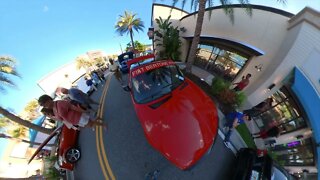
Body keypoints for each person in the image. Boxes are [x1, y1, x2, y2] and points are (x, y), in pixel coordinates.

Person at [38, 95, 107, 131]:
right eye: (43, 106)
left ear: (48, 100)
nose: (44, 106)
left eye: (44, 104)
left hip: (78, 116)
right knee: (90, 124)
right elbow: (60, 119)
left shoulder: (59, 103)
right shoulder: (54, 109)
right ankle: (98, 119)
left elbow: (72, 107)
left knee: (90, 124)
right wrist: (50, 116)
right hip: (75, 121)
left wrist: (85, 111)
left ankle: (103, 124)